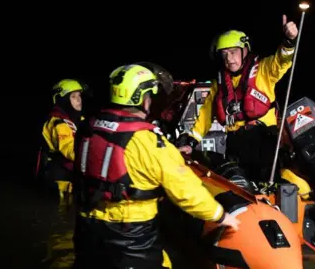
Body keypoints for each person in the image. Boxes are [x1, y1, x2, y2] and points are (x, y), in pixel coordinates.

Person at [71, 63, 240, 269]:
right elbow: (185, 189)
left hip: (87, 227)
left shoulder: (89, 128)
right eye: (150, 96)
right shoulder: (148, 140)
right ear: (142, 98)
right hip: (131, 234)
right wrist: (219, 215)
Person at [177, 16, 299, 184]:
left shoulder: (264, 70)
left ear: (245, 50)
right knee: (238, 184)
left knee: (267, 183)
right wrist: (190, 141)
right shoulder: (218, 84)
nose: (229, 58)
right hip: (235, 142)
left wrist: (289, 41)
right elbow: (205, 116)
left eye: (233, 52)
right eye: (224, 54)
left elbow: (282, 61)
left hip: (263, 139)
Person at [38, 79, 86, 199]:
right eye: (73, 96)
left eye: (79, 95)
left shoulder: (78, 119)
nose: (78, 99)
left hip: (72, 172)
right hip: (60, 176)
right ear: (63, 101)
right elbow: (70, 152)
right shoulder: (58, 124)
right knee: (62, 211)